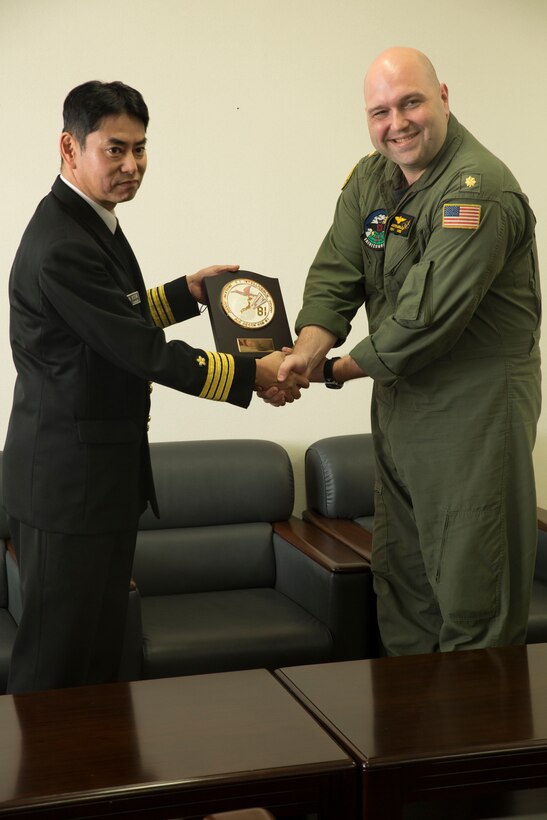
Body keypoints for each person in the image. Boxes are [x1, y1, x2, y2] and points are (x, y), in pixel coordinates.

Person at [2, 80, 306, 694]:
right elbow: (139, 350)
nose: (132, 166)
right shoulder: (62, 243)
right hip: (69, 489)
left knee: (99, 658)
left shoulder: (91, 222)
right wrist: (256, 373)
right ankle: (37, 788)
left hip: (98, 482)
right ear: (69, 146)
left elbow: (118, 314)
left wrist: (187, 292)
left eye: (141, 149)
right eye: (115, 149)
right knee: (56, 666)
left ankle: (95, 784)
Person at [275, 47, 542, 655]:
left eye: (411, 102)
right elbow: (337, 271)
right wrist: (308, 346)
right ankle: (414, 746)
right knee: (404, 584)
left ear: (443, 96)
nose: (396, 123)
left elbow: (428, 318)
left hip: (473, 410)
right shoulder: (372, 177)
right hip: (399, 403)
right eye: (379, 111)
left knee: (475, 597)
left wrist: (331, 372)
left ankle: (477, 747)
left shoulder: (479, 189)